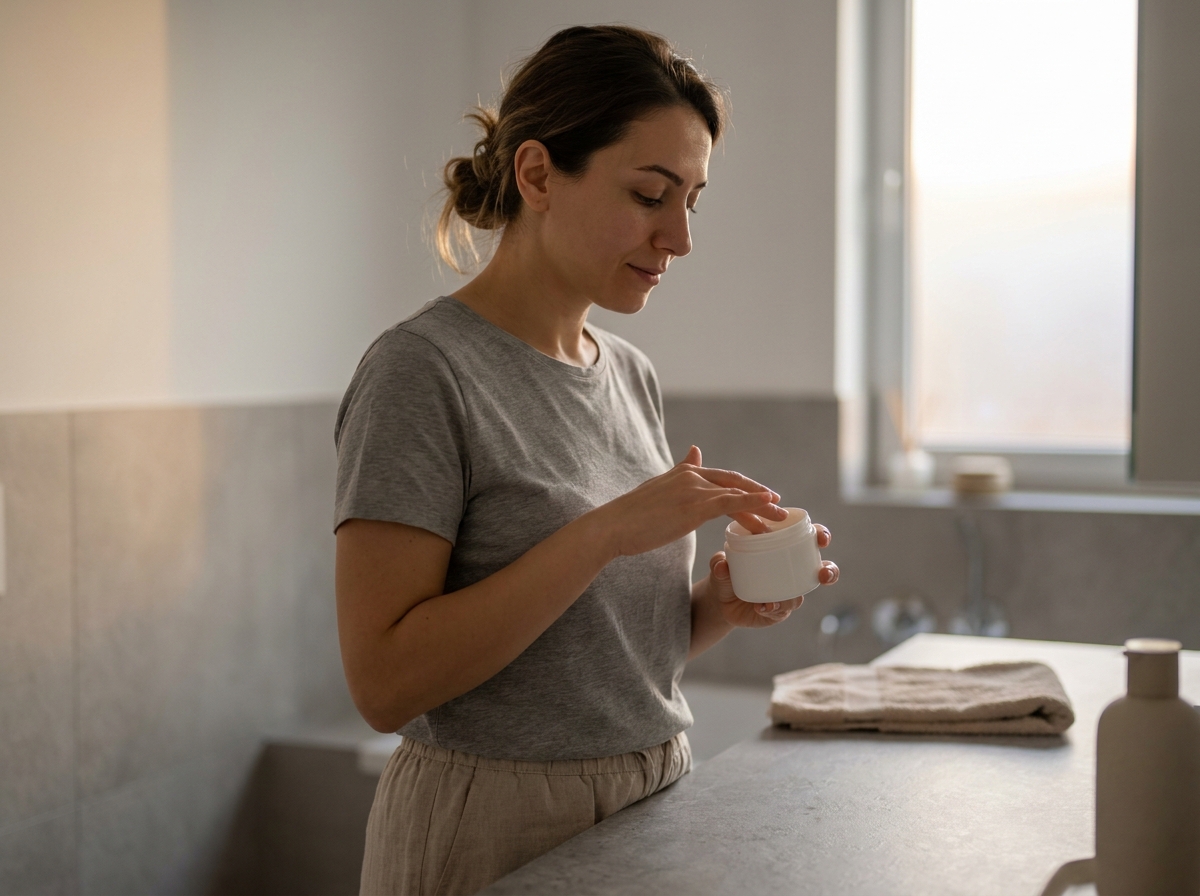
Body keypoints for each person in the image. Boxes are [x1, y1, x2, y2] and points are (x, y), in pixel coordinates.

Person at [334, 24, 839, 896]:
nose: (678, 237)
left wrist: (715, 607)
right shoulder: (422, 372)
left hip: (652, 794)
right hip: (490, 822)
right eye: (651, 194)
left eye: (693, 199)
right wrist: (608, 533)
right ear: (537, 175)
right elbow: (383, 684)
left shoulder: (629, 374)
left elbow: (594, 653)